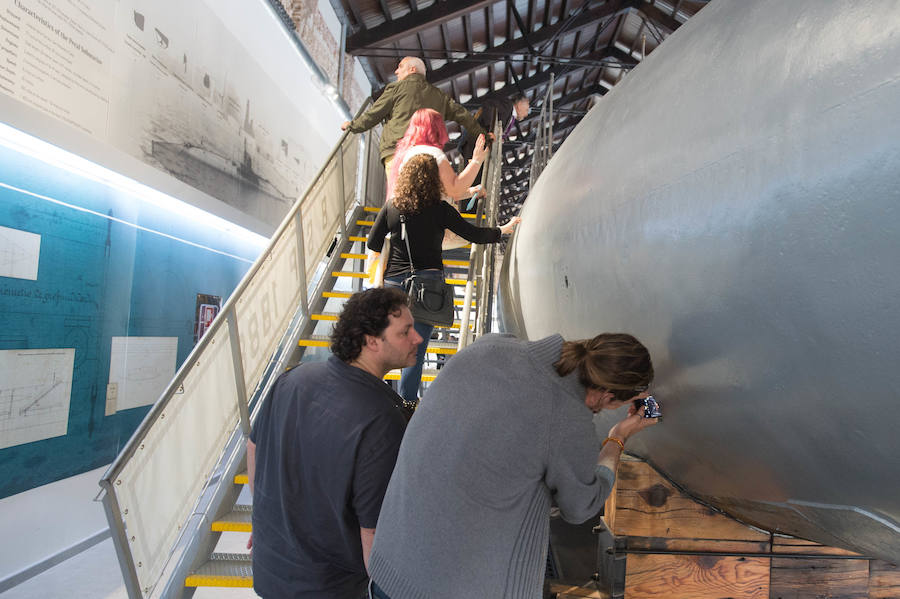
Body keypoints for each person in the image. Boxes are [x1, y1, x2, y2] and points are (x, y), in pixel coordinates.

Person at [367, 332, 660, 599]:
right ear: (608, 395)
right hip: (452, 588)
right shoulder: (568, 418)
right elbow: (580, 506)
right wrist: (617, 438)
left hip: (390, 566)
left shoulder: (491, 345)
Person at [246, 287, 422, 599]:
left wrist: (264, 521)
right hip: (329, 587)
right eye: (405, 332)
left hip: (270, 571)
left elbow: (254, 447)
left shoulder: (293, 379)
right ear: (371, 341)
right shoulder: (381, 418)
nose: (417, 339)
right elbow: (374, 535)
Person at [367, 154, 520, 405]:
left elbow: (373, 242)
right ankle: (406, 404)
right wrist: (502, 230)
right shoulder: (441, 210)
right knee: (413, 348)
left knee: (388, 342)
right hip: (428, 285)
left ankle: (376, 397)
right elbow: (474, 235)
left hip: (393, 285)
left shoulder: (392, 206)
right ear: (433, 180)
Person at [340, 56, 486, 177]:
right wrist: (484, 136)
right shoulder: (439, 96)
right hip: (427, 154)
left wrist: (352, 126)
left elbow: (374, 114)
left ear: (412, 69)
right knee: (420, 196)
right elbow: (463, 115)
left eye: (401, 66)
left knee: (399, 196)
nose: (397, 71)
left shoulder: (396, 89)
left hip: (397, 151)